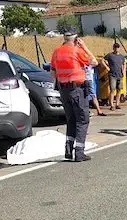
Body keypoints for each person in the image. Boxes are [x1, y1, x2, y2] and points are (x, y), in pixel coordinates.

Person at [50, 29, 98, 162]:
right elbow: (94, 62)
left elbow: (52, 71)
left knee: (71, 120)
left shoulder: (56, 52)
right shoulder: (77, 51)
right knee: (83, 120)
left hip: (63, 90)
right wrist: (85, 47)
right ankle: (79, 152)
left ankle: (68, 150)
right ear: (76, 40)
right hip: (77, 89)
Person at [104, 42, 126, 110]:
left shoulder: (121, 56)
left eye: (117, 47)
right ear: (113, 48)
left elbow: (124, 63)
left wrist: (124, 71)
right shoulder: (110, 55)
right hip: (112, 75)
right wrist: (106, 67)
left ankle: (117, 104)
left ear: (119, 48)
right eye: (115, 47)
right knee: (112, 90)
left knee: (119, 90)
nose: (116, 48)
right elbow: (102, 60)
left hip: (119, 75)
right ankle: (112, 105)